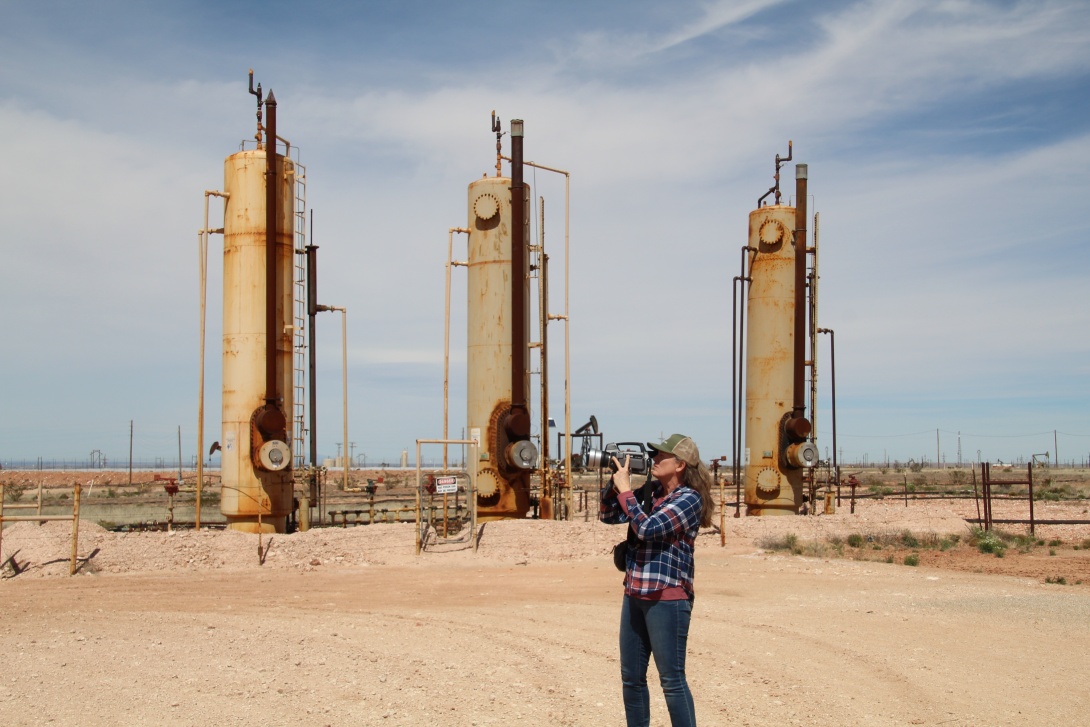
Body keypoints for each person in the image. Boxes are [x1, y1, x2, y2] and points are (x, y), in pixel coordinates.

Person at [599, 433, 715, 727]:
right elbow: (609, 514)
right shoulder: (650, 492)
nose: (653, 459)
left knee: (672, 680)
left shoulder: (689, 499)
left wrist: (627, 492)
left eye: (660, 456)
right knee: (632, 679)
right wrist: (615, 487)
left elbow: (648, 528)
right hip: (635, 593)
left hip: (667, 597)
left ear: (680, 465)